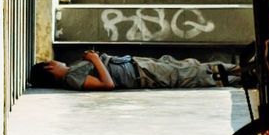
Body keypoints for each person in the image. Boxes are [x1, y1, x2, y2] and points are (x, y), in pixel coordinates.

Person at [28, 50, 241, 91]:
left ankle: (241, 70)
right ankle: (236, 77)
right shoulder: (71, 78)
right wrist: (95, 59)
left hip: (139, 66)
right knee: (188, 74)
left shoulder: (72, 71)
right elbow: (107, 84)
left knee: (189, 66)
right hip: (141, 74)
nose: (55, 61)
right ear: (50, 69)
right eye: (51, 62)